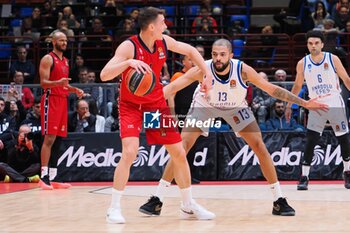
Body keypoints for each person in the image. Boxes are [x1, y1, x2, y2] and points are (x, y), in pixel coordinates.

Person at [138, 38, 329, 217]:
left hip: (235, 107)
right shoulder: (202, 69)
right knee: (182, 147)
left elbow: (271, 89)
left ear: (231, 55)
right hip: (205, 106)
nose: (218, 58)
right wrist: (143, 102)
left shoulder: (243, 70)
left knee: (259, 146)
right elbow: (172, 88)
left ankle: (279, 199)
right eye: (214, 54)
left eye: (222, 54)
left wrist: (303, 103)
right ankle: (157, 199)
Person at [100, 6, 214, 224]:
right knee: (130, 153)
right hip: (131, 106)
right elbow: (105, 74)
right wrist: (127, 63)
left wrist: (207, 75)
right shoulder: (129, 46)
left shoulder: (163, 42)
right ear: (152, 26)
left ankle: (188, 205)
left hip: (154, 104)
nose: (166, 25)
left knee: (179, 153)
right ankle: (113, 208)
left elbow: (190, 51)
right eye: (163, 22)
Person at [285, 30, 350, 190]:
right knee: (311, 140)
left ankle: (347, 172)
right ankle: (304, 176)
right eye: (310, 43)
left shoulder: (332, 59)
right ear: (307, 45)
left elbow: (346, 79)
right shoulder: (302, 63)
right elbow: (297, 85)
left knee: (344, 139)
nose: (313, 46)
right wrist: (289, 104)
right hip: (315, 104)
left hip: (335, 101)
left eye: (316, 43)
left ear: (322, 44)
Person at [39, 31, 84, 190]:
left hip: (62, 101)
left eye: (66, 40)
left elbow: (63, 84)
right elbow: (44, 83)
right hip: (50, 101)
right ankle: (43, 176)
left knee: (58, 140)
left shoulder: (65, 61)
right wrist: (58, 82)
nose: (65, 43)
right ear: (53, 42)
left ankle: (53, 176)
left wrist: (74, 90)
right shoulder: (47, 58)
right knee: (49, 139)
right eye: (61, 40)